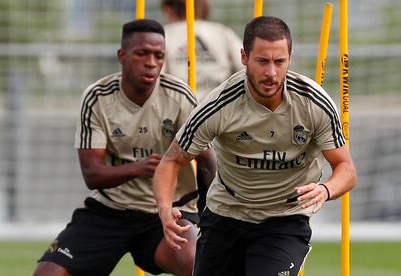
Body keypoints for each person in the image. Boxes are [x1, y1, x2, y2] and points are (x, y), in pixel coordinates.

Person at [153, 16, 357, 276]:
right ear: (244, 57)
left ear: (290, 58)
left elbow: (346, 169)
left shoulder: (314, 103)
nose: (271, 73)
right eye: (262, 61)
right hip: (226, 213)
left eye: (279, 61)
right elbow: (171, 161)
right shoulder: (219, 105)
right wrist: (164, 210)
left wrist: (325, 189)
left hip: (285, 217)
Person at [33, 19, 216, 276]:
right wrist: (138, 168)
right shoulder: (97, 97)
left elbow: (207, 161)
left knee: (196, 262)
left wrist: (211, 219)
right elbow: (92, 175)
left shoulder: (179, 96)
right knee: (48, 274)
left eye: (158, 55)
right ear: (122, 56)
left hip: (170, 212)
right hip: (110, 211)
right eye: (142, 54)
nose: (151, 62)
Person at [161, 0, 243, 213]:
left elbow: (156, 83)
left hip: (180, 128)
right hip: (221, 123)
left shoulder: (164, 34)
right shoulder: (223, 34)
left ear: (168, 9)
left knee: (184, 199)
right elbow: (245, 70)